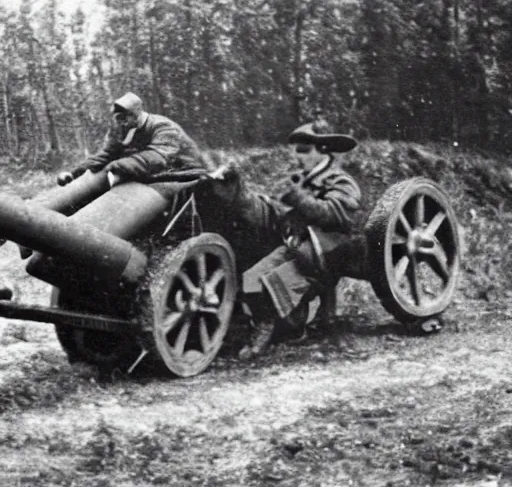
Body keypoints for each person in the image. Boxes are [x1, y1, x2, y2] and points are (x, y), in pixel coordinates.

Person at [209, 120, 363, 360]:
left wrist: (298, 198)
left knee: (275, 283)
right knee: (251, 278)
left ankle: (278, 328)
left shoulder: (340, 181)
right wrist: (240, 194)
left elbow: (336, 215)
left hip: (326, 253)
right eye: (297, 150)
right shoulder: (300, 179)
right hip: (298, 247)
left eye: (304, 151)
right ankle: (274, 325)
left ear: (322, 151)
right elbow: (282, 214)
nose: (298, 157)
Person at [58, 92, 206, 187]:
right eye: (119, 118)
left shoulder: (163, 127)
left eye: (125, 117)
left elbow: (157, 158)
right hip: (153, 175)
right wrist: (74, 173)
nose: (122, 122)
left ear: (137, 114)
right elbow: (107, 154)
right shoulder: (122, 128)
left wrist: (117, 166)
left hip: (185, 175)